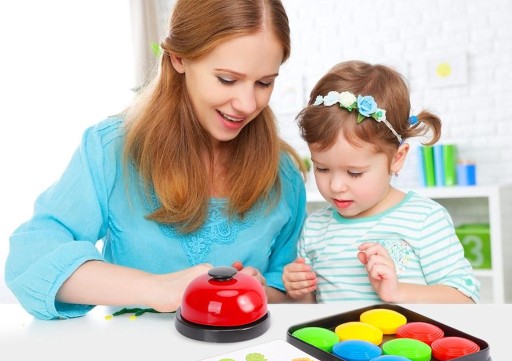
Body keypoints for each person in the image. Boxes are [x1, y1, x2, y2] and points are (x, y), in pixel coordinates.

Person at [5, 0, 307, 320]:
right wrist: (158, 289)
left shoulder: (283, 174)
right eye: (227, 79)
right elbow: (30, 260)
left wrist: (260, 291)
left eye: (264, 83)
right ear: (179, 58)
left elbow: (288, 292)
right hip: (134, 352)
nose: (247, 104)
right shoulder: (111, 149)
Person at [283, 60, 479, 304]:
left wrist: (399, 292)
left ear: (397, 159)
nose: (335, 186)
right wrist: (300, 292)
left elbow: (465, 299)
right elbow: (311, 310)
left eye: (354, 173)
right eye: (322, 169)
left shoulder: (424, 219)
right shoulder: (314, 228)